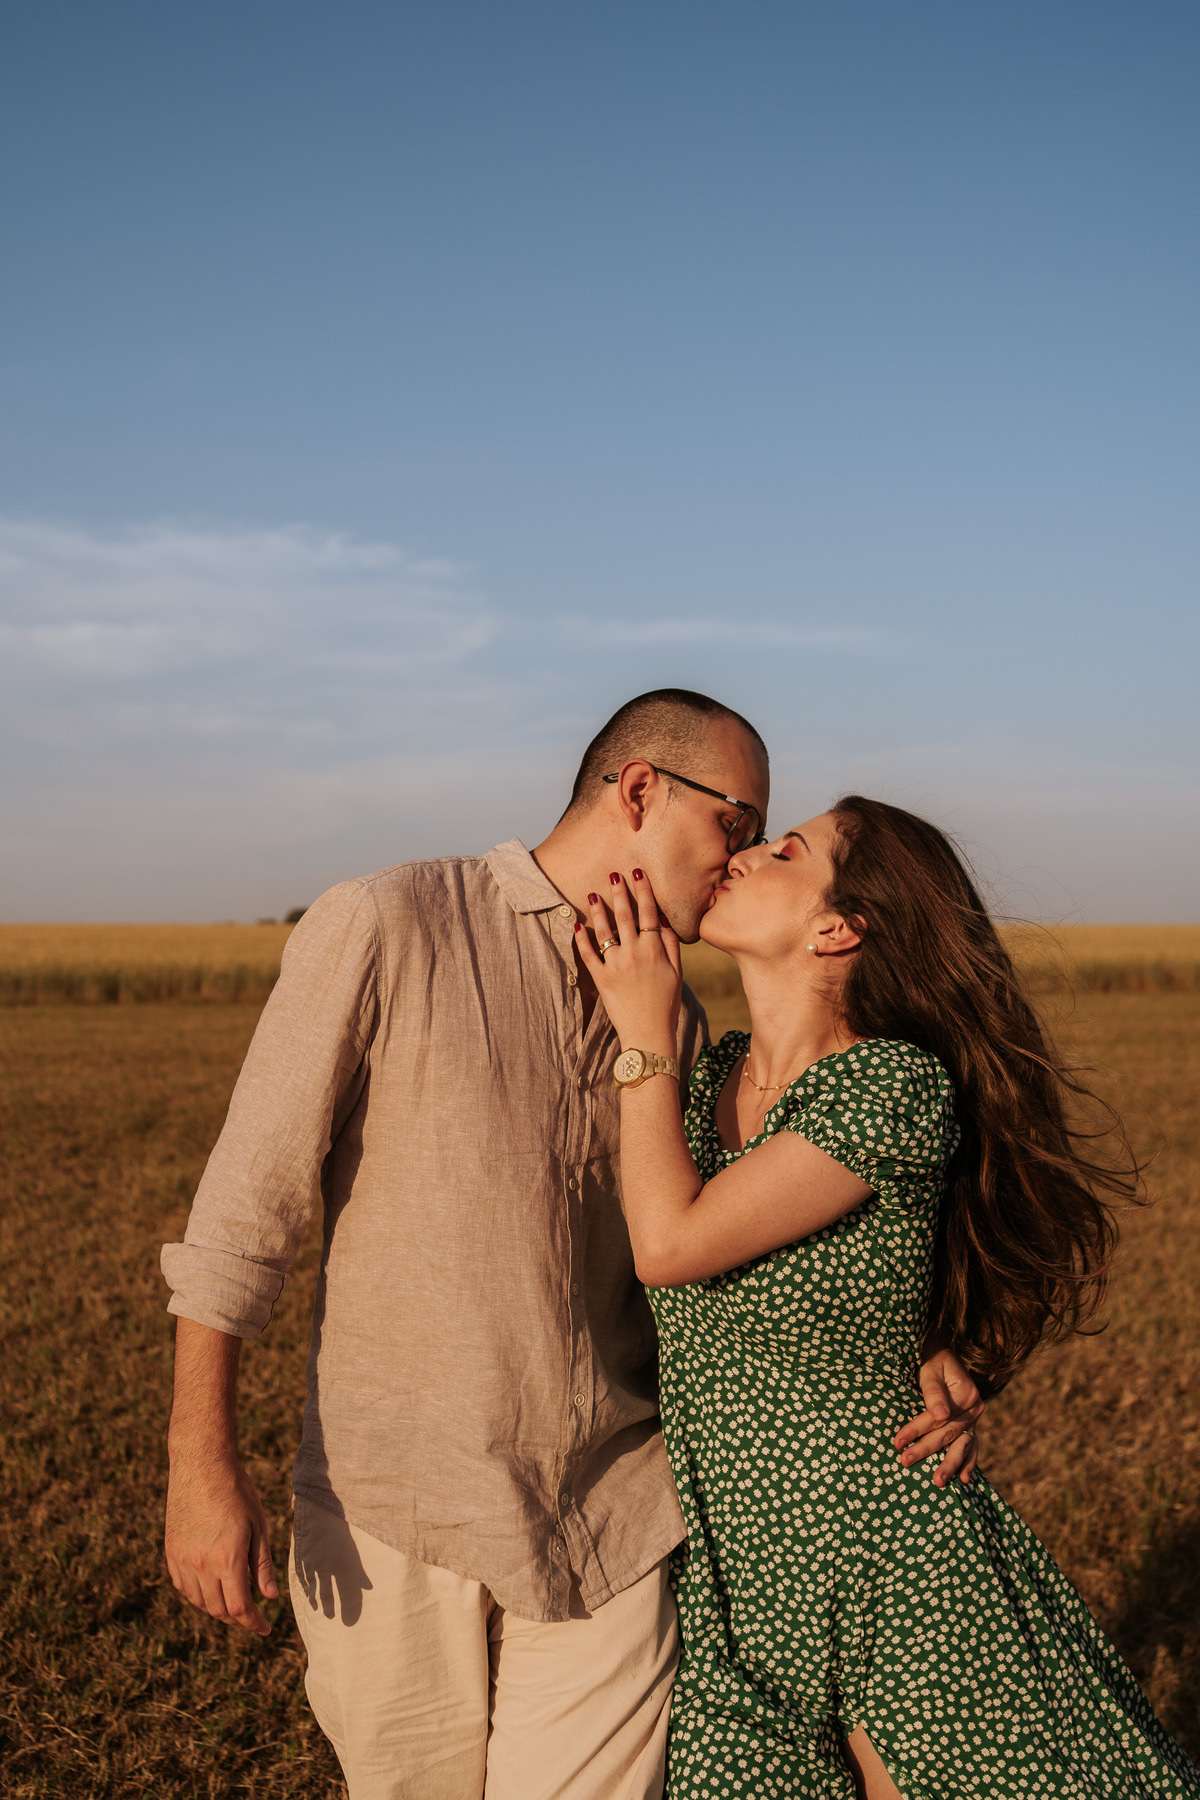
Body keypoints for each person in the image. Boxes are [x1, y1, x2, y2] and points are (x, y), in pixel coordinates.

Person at [161, 694, 982, 1800]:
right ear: (642, 790)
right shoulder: (391, 921)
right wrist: (198, 1462)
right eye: (739, 824)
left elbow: (777, 1230)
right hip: (400, 1513)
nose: (740, 861)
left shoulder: (681, 1024)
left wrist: (919, 1346)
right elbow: (243, 1214)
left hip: (617, 1520)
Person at [576, 795, 1200, 1800]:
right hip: (739, 1592)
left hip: (891, 1570)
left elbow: (670, 1245)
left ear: (839, 927)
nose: (743, 856)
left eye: (785, 851)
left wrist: (644, 1034)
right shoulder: (711, 1082)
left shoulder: (891, 1089)